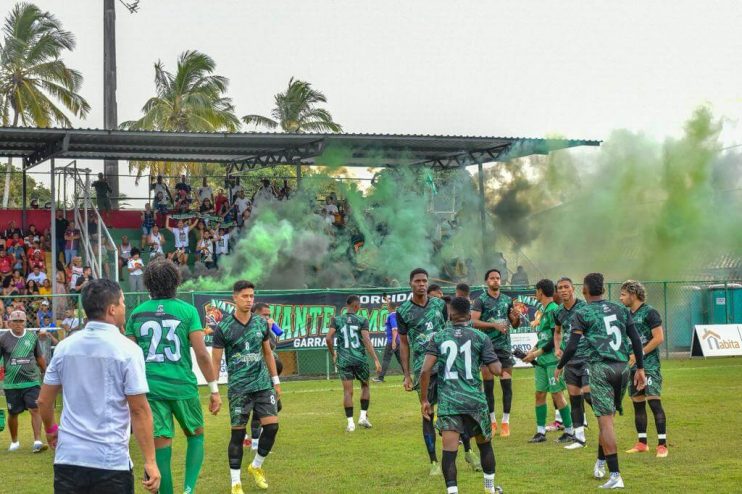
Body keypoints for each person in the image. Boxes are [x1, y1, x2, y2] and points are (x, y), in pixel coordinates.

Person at [37, 279, 161, 493]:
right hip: (110, 462)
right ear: (112, 310)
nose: (125, 308)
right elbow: (139, 410)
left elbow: (44, 401)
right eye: (122, 303)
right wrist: (150, 461)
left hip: (69, 460)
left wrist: (51, 429)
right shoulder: (128, 350)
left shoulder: (65, 347)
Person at [125, 258, 221, 494]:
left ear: (148, 284)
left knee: (161, 449)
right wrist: (214, 390)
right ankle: (188, 490)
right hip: (183, 387)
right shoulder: (187, 311)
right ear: (175, 282)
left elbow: (128, 358)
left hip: (151, 390)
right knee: (196, 436)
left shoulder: (136, 314)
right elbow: (202, 354)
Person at [555, 272, 647, 489]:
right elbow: (635, 339)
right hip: (623, 367)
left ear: (584, 291)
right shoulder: (620, 309)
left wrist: (560, 366)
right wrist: (640, 368)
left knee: (605, 423)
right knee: (607, 421)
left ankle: (615, 475)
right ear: (604, 290)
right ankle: (600, 461)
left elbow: (572, 345)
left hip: (601, 369)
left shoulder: (583, 312)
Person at [420, 297, 504, 494]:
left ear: (450, 314)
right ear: (468, 315)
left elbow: (425, 371)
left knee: (449, 451)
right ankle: (490, 489)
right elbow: (496, 369)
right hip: (475, 401)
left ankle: (453, 492)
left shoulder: (438, 337)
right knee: (484, 445)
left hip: (449, 402)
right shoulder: (481, 337)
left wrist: (425, 400)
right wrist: (495, 362)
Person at [211, 281, 282, 493]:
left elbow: (268, 353)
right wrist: (214, 391)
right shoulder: (223, 327)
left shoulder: (261, 323)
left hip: (262, 385)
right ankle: (236, 483)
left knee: (272, 427)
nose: (249, 300)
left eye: (251, 296)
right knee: (237, 435)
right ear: (234, 298)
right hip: (239, 389)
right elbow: (215, 361)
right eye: (245, 296)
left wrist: (275, 381)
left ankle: (256, 466)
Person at [397, 267, 448, 475]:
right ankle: (434, 462)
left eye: (424, 281)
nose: (422, 284)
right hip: (422, 369)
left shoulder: (439, 304)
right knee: (427, 412)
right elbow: (403, 344)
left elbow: (448, 332)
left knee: (454, 410)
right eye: (418, 281)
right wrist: (407, 374)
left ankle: (469, 451)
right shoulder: (403, 311)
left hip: (445, 365)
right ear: (411, 283)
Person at [619, 280, 668, 458]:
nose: (620, 297)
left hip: (650, 366)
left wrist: (638, 353)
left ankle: (662, 445)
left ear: (633, 294)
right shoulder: (625, 315)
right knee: (638, 404)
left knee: (654, 403)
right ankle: (642, 443)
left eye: (623, 294)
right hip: (633, 366)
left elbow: (658, 338)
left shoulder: (650, 312)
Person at [522, 279, 574, 444]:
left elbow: (554, 339)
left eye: (536, 291)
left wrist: (536, 353)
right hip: (542, 361)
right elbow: (544, 336)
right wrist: (532, 351)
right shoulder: (544, 310)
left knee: (557, 394)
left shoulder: (554, 310)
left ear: (540, 292)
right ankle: (540, 432)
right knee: (539, 394)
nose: (535, 294)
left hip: (552, 360)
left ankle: (569, 430)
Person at [471, 268, 521, 437]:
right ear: (487, 281)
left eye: (498, 278)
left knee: (507, 385)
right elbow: (473, 322)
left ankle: (505, 422)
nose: (496, 281)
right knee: (489, 386)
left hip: (504, 348)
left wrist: (516, 317)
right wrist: (493, 325)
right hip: (487, 348)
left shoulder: (507, 300)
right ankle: (492, 421)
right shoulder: (480, 300)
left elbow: (515, 324)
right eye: (492, 278)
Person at [326, 295, 382, 432]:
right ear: (357, 306)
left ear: (347, 305)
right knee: (365, 386)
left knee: (347, 392)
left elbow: (328, 338)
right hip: (359, 359)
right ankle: (363, 417)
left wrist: (334, 354)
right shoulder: (362, 320)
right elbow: (367, 340)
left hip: (344, 359)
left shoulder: (337, 320)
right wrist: (375, 359)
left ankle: (350, 424)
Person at [0, 310, 48, 453]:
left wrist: (46, 371)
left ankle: (38, 441)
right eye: (15, 321)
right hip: (11, 383)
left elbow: (38, 357)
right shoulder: (3, 339)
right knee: (13, 413)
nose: (18, 324)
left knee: (35, 409)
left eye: (21, 321)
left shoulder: (32, 337)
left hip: (31, 381)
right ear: (9, 323)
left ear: (25, 322)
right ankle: (14, 442)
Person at [554, 277, 591, 449]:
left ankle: (608, 415)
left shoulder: (585, 307)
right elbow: (557, 331)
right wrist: (557, 348)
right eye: (560, 287)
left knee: (589, 395)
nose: (563, 290)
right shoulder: (559, 312)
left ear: (573, 289)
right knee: (575, 399)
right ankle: (580, 438)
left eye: (566, 287)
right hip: (569, 360)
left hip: (586, 358)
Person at [373, 296, 402, 383]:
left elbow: (395, 329)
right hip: (398, 341)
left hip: (392, 341)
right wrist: (387, 300)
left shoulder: (392, 316)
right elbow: (391, 305)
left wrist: (393, 341)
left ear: (389, 307)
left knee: (386, 359)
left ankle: (380, 378)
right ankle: (407, 376)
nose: (386, 306)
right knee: (401, 360)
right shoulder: (396, 314)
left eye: (387, 306)